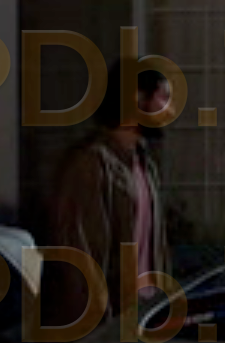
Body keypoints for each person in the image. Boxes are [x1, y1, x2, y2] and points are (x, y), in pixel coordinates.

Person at [46, 62, 173, 328]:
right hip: (108, 322)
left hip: (143, 312)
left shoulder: (144, 163)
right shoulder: (90, 163)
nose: (169, 110)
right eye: (163, 98)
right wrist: (94, 324)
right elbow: (80, 251)